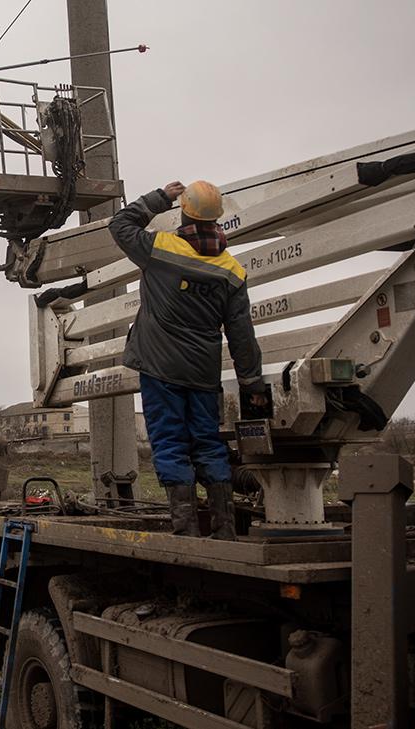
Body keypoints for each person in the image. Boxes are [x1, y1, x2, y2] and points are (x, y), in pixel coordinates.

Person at [107, 180, 268, 540]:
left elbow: (119, 225)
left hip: (160, 368)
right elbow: (242, 334)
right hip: (203, 373)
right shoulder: (231, 271)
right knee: (208, 444)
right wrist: (252, 384)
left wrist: (159, 198)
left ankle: (187, 530)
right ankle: (225, 528)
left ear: (184, 212)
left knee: (170, 443)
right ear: (218, 219)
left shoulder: (159, 249)